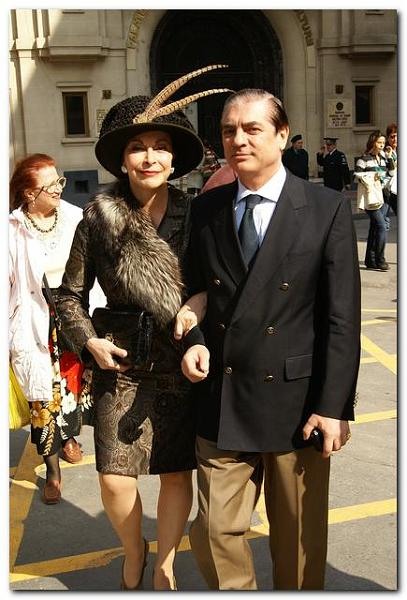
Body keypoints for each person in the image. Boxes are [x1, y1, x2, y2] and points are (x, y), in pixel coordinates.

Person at [178, 88, 361, 590]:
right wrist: (192, 338)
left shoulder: (324, 207)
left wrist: (333, 406)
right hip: (224, 398)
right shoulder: (206, 208)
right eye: (228, 131)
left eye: (251, 129)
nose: (238, 139)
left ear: (282, 136)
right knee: (213, 533)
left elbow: (342, 318)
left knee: (298, 544)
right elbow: (192, 293)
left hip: (296, 405)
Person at [57, 65, 228, 590]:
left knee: (175, 472)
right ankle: (134, 549)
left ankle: (166, 561)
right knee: (114, 478)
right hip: (121, 362)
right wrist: (88, 341)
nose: (150, 157)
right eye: (138, 147)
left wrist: (194, 309)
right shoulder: (98, 216)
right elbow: (68, 295)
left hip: (180, 359)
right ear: (122, 159)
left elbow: (210, 285)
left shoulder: (197, 214)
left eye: (161, 147)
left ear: (175, 159)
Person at [9, 153, 92, 505]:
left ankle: (70, 437)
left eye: (60, 181)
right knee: (43, 399)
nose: (59, 188)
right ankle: (53, 472)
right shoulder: (12, 230)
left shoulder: (75, 217)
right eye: (51, 185)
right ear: (29, 194)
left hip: (71, 316)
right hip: (35, 321)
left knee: (71, 388)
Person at [354, 130, 396, 271]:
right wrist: (372, 177)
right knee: (382, 226)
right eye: (379, 142)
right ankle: (380, 259)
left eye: (383, 142)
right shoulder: (364, 159)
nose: (382, 145)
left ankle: (370, 260)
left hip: (384, 197)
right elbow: (357, 175)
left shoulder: (384, 158)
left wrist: (389, 158)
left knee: (375, 227)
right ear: (373, 142)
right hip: (371, 198)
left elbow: (391, 173)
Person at [385, 123, 397, 216]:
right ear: (388, 138)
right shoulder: (385, 152)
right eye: (392, 137)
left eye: (397, 136)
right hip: (390, 190)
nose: (395, 139)